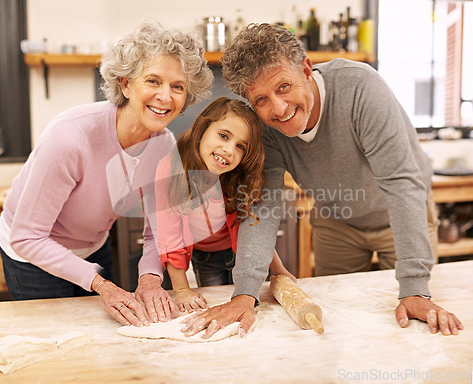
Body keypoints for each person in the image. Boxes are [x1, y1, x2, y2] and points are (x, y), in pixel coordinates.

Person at [179, 23, 463, 338]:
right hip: (335, 220)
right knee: (338, 326)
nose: (278, 108)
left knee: (408, 329)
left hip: (398, 217)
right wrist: (245, 293)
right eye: (260, 99)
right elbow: (263, 205)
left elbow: (401, 185)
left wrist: (415, 289)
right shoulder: (267, 129)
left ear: (306, 69)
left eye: (284, 87)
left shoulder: (360, 89)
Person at [0, 22, 213, 327]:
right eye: (153, 81)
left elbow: (158, 230)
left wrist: (150, 280)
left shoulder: (163, 146)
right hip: (32, 258)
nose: (165, 96)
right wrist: (102, 285)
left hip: (93, 248)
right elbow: (27, 237)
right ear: (125, 84)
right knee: (57, 348)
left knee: (103, 338)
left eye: (177, 86)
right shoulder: (71, 137)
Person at [144, 96, 295, 314]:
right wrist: (183, 290)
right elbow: (170, 236)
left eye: (240, 146)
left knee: (243, 307)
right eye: (223, 136)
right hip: (205, 257)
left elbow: (255, 227)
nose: (229, 150)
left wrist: (278, 271)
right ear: (203, 127)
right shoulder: (170, 168)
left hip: (243, 252)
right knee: (217, 308)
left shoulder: (240, 175)